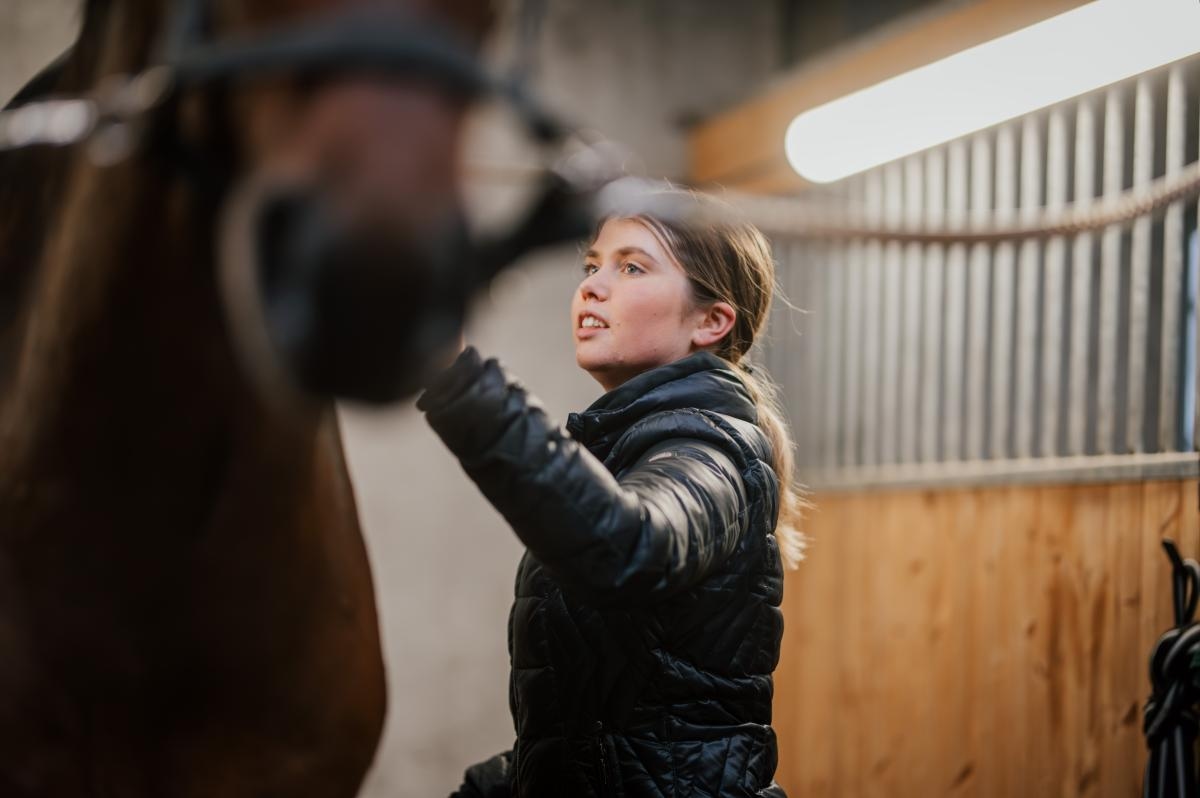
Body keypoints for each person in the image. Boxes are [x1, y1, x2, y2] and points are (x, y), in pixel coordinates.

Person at [418, 189, 806, 797]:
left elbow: (627, 548)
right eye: (592, 265)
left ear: (711, 321)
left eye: (632, 266)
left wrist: (460, 383)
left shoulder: (711, 448)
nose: (593, 286)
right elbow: (608, 725)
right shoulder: (628, 445)